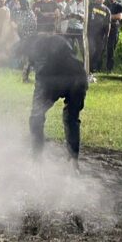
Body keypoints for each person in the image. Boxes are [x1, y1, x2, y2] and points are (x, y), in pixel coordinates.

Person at [17, 33, 88, 163]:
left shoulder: (36, 49)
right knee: (71, 119)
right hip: (79, 76)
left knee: (36, 117)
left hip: (52, 79)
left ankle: (36, 160)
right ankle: (73, 162)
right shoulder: (53, 42)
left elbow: (42, 74)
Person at [87, 0, 111, 74]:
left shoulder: (107, 10)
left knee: (98, 51)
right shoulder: (90, 6)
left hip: (100, 34)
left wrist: (107, 35)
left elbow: (108, 24)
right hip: (90, 32)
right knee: (91, 49)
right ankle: (88, 67)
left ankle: (93, 68)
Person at [105, 0, 122, 71]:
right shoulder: (105, 4)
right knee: (100, 48)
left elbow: (119, 17)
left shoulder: (119, 6)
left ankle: (109, 68)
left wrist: (106, 16)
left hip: (114, 29)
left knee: (111, 48)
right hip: (103, 28)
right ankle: (97, 67)